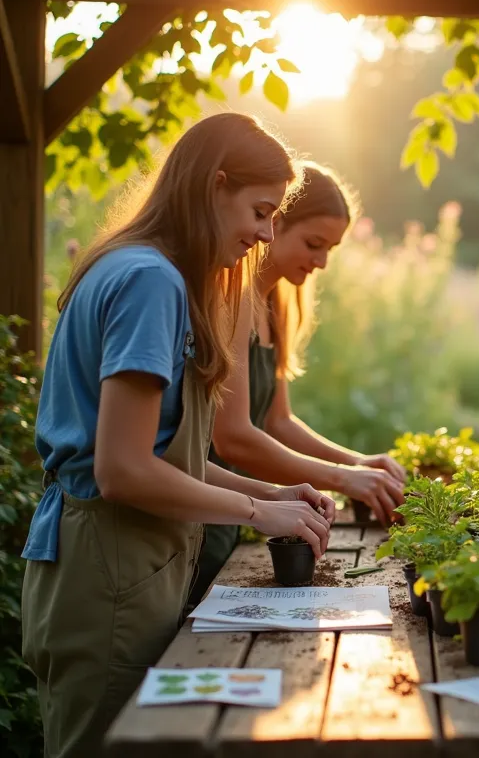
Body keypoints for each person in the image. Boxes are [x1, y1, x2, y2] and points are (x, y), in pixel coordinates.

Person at [20, 113, 338, 758]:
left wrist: (278, 496)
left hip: (114, 559)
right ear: (213, 186)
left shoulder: (146, 270)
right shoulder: (150, 282)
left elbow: (170, 457)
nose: (265, 233)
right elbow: (124, 471)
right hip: (108, 564)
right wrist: (257, 509)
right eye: (259, 210)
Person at [190, 162, 405, 605]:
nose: (322, 261)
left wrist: (359, 463)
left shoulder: (275, 305)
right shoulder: (234, 297)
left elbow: (278, 421)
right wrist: (344, 480)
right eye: (314, 244)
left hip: (241, 509)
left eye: (330, 249)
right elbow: (233, 438)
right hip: (204, 509)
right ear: (276, 221)